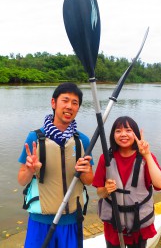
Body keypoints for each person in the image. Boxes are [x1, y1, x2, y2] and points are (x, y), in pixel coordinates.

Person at [17, 82, 94, 248]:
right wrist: (30, 170)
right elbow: (22, 180)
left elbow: (89, 180)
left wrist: (86, 171)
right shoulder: (34, 138)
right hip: (41, 221)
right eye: (65, 100)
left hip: (72, 219)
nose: (69, 106)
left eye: (75, 103)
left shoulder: (83, 141)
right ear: (54, 103)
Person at [92, 116, 161, 248]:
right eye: (118, 131)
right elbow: (99, 193)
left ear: (136, 134)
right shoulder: (106, 159)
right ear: (113, 135)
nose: (123, 134)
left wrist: (147, 155)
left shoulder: (145, 157)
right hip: (114, 224)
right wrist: (105, 190)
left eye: (128, 130)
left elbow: (160, 184)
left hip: (138, 224)